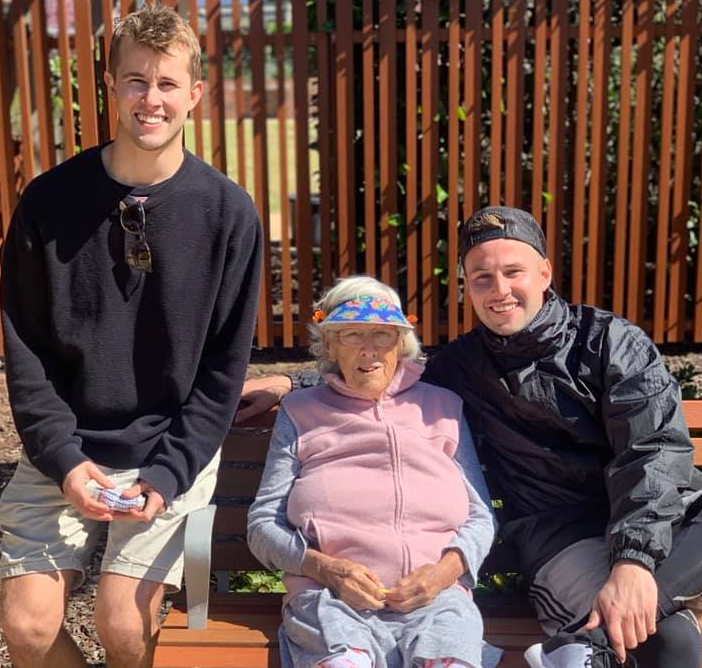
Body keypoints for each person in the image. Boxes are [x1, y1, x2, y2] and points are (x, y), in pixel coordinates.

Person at [239, 207, 702, 668]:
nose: (499, 291)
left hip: (657, 521)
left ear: (544, 272)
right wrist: (291, 384)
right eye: (482, 278)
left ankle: (585, 649)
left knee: (649, 623)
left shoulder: (612, 343)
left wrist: (633, 565)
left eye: (513, 272)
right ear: (467, 288)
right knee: (670, 640)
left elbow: (654, 452)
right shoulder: (460, 368)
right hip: (565, 537)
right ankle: (588, 646)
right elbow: (372, 366)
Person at [0, 5, 262, 668]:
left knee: (122, 623)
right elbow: (24, 349)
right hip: (62, 449)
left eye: (168, 84)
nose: (152, 99)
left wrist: (170, 472)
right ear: (111, 87)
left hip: (167, 451)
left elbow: (222, 373)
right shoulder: (48, 203)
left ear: (195, 94)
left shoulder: (229, 215)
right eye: (136, 81)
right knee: (28, 630)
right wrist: (63, 459)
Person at [247, 276, 501, 668]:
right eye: (351, 335)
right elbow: (263, 524)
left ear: (401, 344)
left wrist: (442, 574)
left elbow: (480, 516)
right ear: (329, 344)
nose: (369, 351)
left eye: (383, 335)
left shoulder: (444, 406)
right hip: (329, 600)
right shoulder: (301, 412)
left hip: (437, 600)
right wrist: (326, 569)